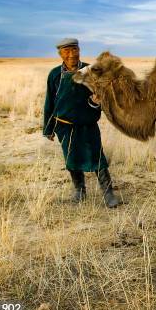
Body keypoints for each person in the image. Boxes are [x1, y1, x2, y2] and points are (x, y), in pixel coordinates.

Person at [43, 38, 119, 208]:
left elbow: (102, 96)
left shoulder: (91, 71)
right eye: (67, 51)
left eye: (74, 49)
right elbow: (50, 102)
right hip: (64, 126)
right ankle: (79, 191)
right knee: (71, 158)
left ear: (79, 50)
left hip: (87, 124)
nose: (71, 54)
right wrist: (48, 128)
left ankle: (108, 194)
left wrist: (95, 101)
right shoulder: (55, 74)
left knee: (97, 157)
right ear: (60, 54)